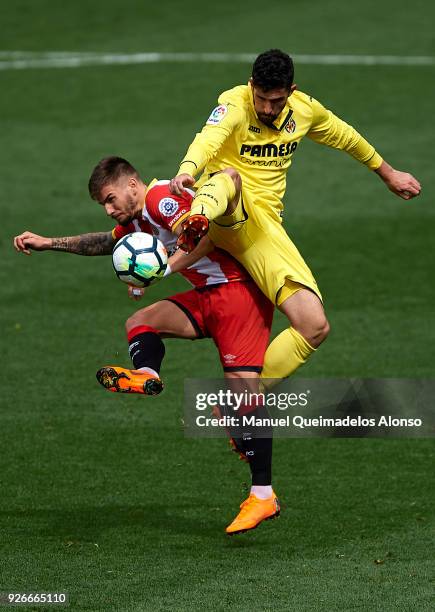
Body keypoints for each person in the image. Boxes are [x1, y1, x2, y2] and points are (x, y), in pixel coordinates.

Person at [14, 156, 279, 535]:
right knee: (140, 322)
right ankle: (146, 373)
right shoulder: (133, 222)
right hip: (208, 293)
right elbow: (101, 244)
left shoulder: (159, 199)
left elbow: (207, 236)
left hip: (238, 293)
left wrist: (160, 270)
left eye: (110, 199)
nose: (108, 210)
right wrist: (47, 243)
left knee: (244, 395)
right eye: (103, 205)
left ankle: (263, 494)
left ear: (132, 185)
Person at [169, 48, 421, 386]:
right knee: (228, 179)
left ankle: (243, 400)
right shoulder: (234, 103)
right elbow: (209, 139)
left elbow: (345, 136)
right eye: (261, 98)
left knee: (314, 325)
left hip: (259, 229)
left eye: (276, 101)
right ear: (250, 86)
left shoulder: (304, 111)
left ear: (292, 91)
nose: (267, 109)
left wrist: (387, 173)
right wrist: (187, 170)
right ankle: (195, 221)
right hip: (220, 207)